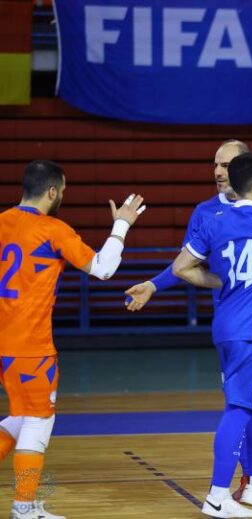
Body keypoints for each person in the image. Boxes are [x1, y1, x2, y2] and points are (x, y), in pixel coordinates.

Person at [124, 139, 252, 507]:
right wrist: (154, 286)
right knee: (248, 406)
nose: (219, 171)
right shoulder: (206, 214)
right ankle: (243, 483)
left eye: (226, 164)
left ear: (244, 171)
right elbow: (183, 266)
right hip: (243, 327)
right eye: (215, 164)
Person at [0, 160, 145, 519]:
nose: (62, 196)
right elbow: (104, 268)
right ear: (52, 191)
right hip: (31, 347)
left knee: (19, 418)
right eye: (62, 191)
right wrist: (122, 225)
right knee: (38, 422)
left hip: (4, 345)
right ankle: (24, 506)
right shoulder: (53, 230)